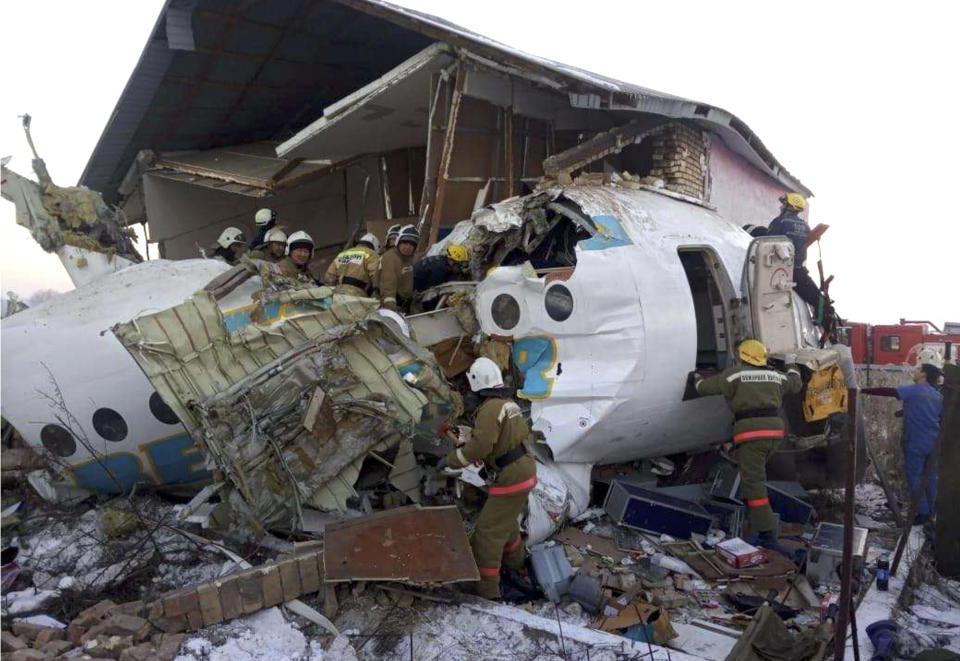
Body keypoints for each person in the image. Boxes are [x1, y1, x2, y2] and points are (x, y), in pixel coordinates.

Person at [436, 357, 536, 600]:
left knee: (486, 535)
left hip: (511, 477)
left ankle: (488, 592)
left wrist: (451, 459)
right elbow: (498, 442)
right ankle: (518, 566)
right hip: (522, 470)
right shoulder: (506, 404)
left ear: (475, 383)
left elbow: (481, 446)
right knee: (506, 524)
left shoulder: (490, 408)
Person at [692, 339, 802, 550]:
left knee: (754, 484)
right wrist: (791, 364)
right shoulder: (775, 376)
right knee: (751, 476)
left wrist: (695, 377)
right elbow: (795, 383)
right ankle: (753, 523)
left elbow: (703, 388)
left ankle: (766, 534)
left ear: (742, 356)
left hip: (752, 435)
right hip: (774, 434)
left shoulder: (734, 374)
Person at [861, 348, 944, 524]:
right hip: (934, 444)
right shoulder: (937, 395)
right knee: (930, 477)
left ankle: (921, 513)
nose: (914, 372)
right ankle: (932, 513)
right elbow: (932, 415)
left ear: (923, 373)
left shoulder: (915, 390)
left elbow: (889, 391)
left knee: (914, 476)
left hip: (915, 443)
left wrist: (862, 390)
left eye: (916, 369)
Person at [766, 192, 826, 314]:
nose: (781, 207)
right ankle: (821, 319)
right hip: (798, 271)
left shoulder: (780, 222)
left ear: (790, 206)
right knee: (818, 299)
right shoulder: (805, 226)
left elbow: (767, 243)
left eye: (784, 204)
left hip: (778, 270)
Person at [323, 233, 380, 297]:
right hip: (357, 296)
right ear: (375, 247)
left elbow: (329, 278)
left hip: (338, 295)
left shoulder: (343, 254)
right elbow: (376, 275)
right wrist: (376, 291)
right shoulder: (372, 254)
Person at [379, 224, 418, 313]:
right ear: (398, 242)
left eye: (412, 244)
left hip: (407, 305)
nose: (408, 247)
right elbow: (388, 285)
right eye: (405, 243)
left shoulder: (411, 258)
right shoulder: (390, 258)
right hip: (394, 307)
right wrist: (391, 309)